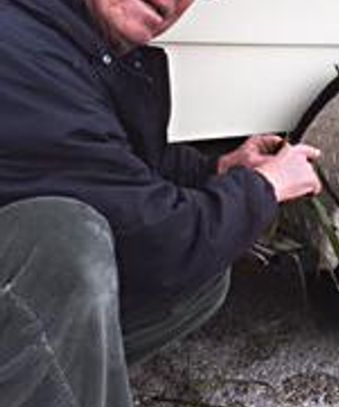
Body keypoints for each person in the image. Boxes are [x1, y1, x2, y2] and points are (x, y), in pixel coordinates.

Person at [0, 0, 322, 406]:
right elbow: (160, 242)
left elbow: (121, 163)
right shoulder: (21, 51)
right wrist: (264, 187)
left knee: (203, 278)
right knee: (65, 241)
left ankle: (64, 381)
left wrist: (219, 168)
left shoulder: (72, 41)